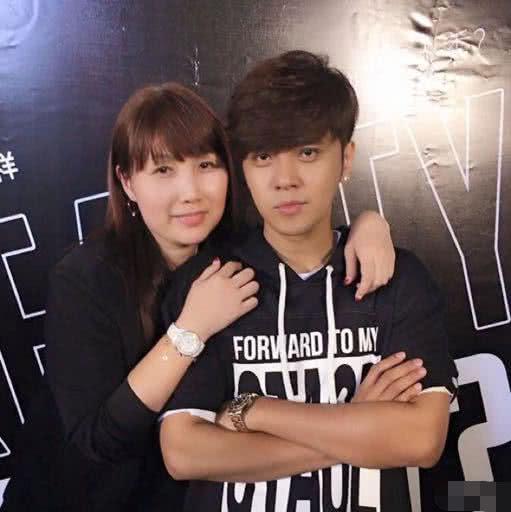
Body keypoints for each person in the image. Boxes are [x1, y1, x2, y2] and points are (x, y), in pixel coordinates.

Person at [1, 82, 396, 512]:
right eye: (163, 171)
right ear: (127, 182)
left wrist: (369, 225)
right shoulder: (85, 279)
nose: (190, 191)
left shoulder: (237, 254)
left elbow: (308, 232)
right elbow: (99, 440)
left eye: (206, 165)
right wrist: (191, 329)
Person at [158, 51, 459, 512]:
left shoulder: (398, 279)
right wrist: (360, 425)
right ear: (243, 168)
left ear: (345, 159)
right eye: (264, 156)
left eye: (307, 152)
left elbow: (419, 439)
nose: (285, 180)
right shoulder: (211, 286)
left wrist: (253, 410)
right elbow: (184, 453)